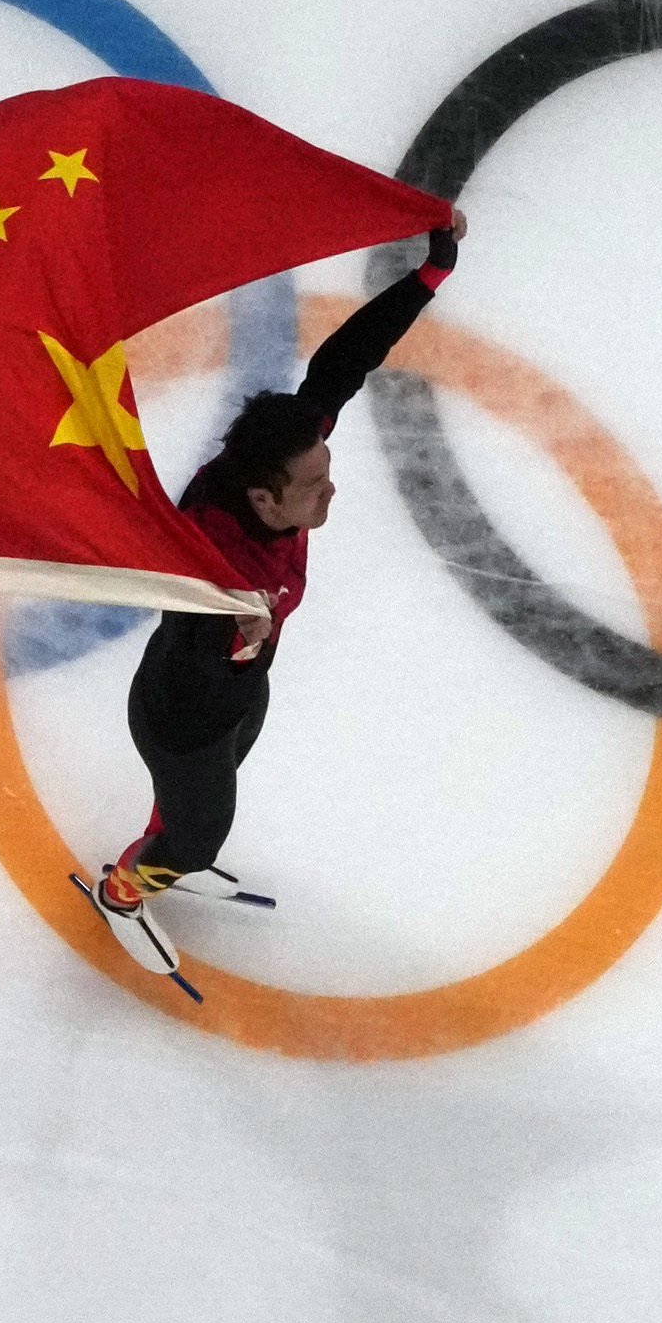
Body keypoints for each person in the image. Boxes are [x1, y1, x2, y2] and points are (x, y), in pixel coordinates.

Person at [89, 213, 466, 974]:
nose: (333, 490)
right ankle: (127, 887)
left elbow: (341, 363)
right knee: (200, 830)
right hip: (182, 717)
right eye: (316, 486)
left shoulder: (273, 463)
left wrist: (429, 273)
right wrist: (235, 637)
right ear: (264, 502)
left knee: (221, 770)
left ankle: (165, 838)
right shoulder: (209, 570)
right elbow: (189, 625)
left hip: (239, 692)